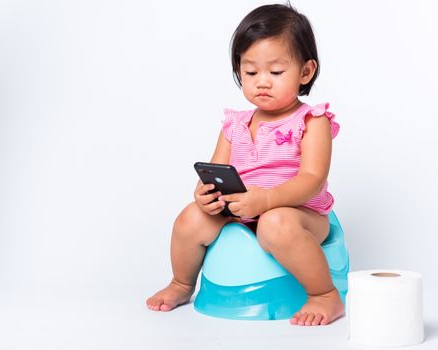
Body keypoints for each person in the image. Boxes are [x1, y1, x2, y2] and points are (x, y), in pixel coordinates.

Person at [146, 3, 344, 326]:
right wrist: (206, 196)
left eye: (276, 72)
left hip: (299, 216)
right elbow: (215, 172)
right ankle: (182, 283)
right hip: (242, 212)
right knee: (190, 219)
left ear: (305, 72)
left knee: (275, 223)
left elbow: (313, 179)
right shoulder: (235, 124)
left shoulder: (312, 120)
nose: (261, 82)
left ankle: (324, 294)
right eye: (250, 72)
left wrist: (266, 200)